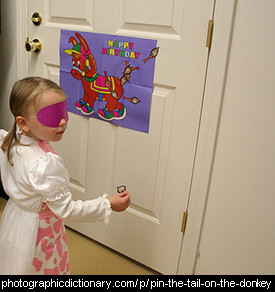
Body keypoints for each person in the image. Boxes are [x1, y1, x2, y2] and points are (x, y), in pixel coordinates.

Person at [0, 76, 130, 275]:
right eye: (52, 115)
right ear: (23, 123)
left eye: (63, 112)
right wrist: (108, 204)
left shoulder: (10, 140)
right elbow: (68, 210)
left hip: (16, 218)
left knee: (17, 263)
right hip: (39, 231)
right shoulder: (45, 164)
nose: (62, 122)